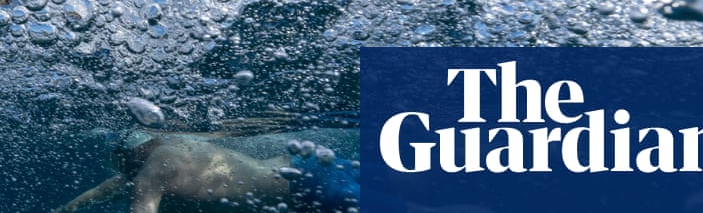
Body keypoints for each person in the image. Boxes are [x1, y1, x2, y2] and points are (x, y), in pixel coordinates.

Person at [52, 131, 491, 213]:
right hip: (304, 167)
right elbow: (120, 184)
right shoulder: (165, 154)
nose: (120, 166)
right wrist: (71, 206)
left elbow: (139, 202)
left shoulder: (152, 168)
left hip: (309, 194)